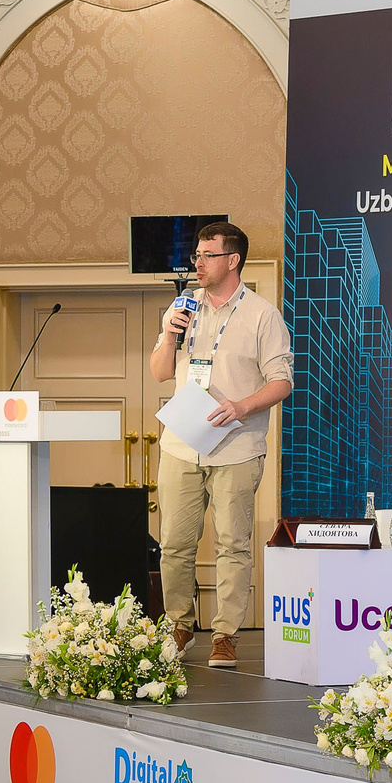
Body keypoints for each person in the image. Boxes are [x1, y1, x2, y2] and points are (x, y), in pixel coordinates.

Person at [149, 221, 293, 668]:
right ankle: (179, 625)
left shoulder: (262, 315)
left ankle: (225, 634)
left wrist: (241, 406)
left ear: (232, 260)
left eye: (207, 255)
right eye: (196, 255)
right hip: (181, 443)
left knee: (232, 544)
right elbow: (160, 372)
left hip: (236, 444)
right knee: (174, 543)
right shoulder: (182, 307)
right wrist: (170, 334)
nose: (197, 263)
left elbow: (282, 381)